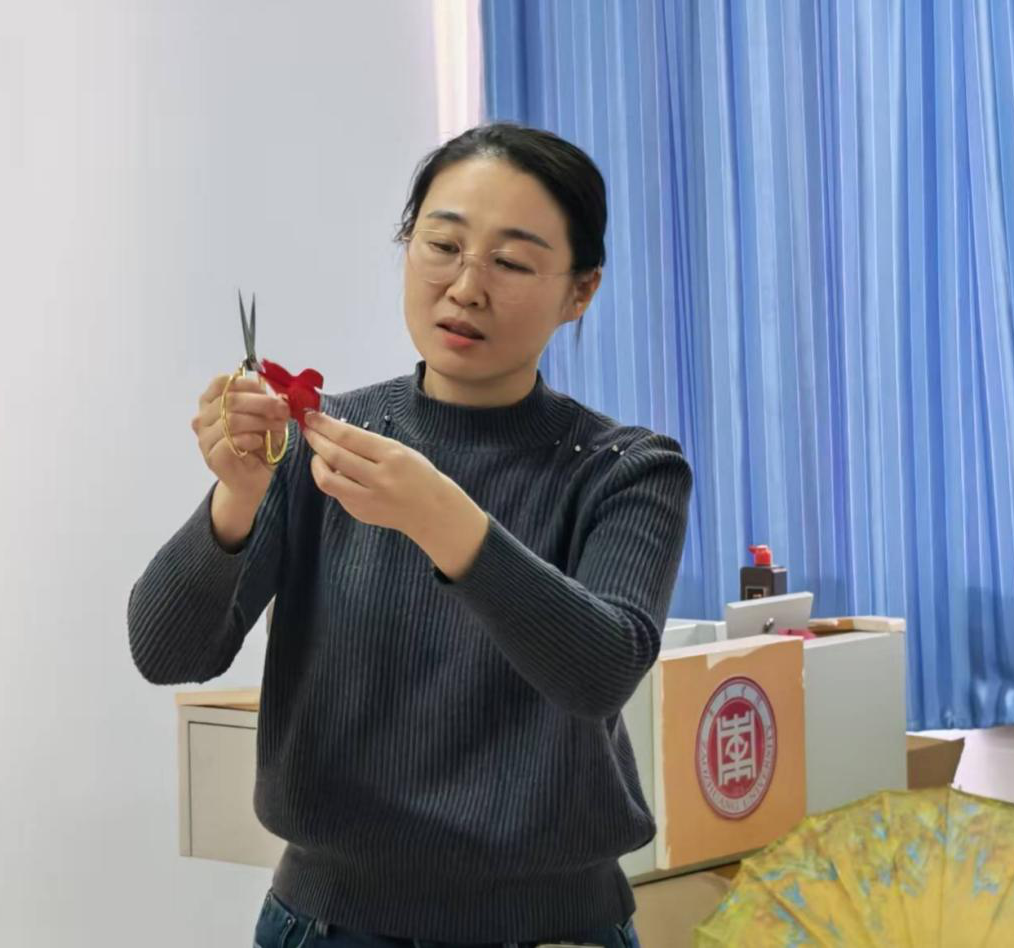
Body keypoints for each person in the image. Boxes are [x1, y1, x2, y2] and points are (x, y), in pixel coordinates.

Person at [128, 123, 692, 948]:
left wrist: (442, 518)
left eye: (512, 262)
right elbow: (166, 651)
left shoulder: (627, 469)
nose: (466, 287)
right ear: (407, 246)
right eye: (443, 245)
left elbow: (602, 669)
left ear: (580, 292)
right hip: (327, 924)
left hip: (554, 928)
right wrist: (237, 496)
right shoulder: (320, 442)